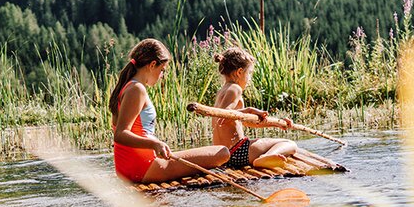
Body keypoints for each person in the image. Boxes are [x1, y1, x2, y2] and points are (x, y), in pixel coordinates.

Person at [111, 39, 229, 183]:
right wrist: (155, 144)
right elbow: (120, 134)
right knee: (222, 152)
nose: (162, 76)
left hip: (130, 167)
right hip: (143, 167)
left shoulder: (127, 87)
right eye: (162, 70)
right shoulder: (136, 89)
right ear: (152, 65)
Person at [212, 47, 297, 169]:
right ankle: (264, 158)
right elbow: (224, 117)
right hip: (237, 152)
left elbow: (246, 122)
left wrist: (278, 124)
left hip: (223, 156)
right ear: (239, 72)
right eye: (249, 73)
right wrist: (249, 110)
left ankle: (264, 157)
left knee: (268, 142)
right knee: (290, 144)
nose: (250, 79)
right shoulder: (235, 89)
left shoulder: (222, 91)